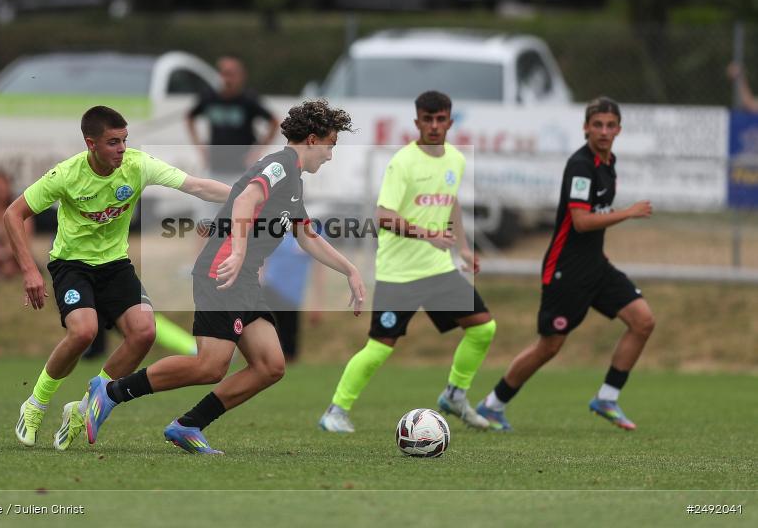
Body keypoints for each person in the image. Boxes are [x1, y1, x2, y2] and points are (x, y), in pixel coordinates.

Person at [84, 99, 366, 455]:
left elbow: (306, 234)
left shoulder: (293, 179)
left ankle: (188, 425)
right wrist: (236, 251)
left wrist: (350, 270)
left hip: (244, 280)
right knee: (210, 365)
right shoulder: (280, 165)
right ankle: (110, 392)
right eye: (330, 145)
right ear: (312, 140)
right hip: (223, 271)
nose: (330, 155)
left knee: (270, 365)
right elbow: (246, 200)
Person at [5, 105, 231, 451]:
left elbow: (198, 186)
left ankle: (82, 409)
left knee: (144, 332)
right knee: (83, 332)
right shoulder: (66, 175)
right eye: (113, 142)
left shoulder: (137, 165)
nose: (122, 149)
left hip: (115, 265)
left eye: (125, 140)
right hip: (72, 265)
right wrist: (29, 270)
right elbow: (13, 214)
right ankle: (35, 404)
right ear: (90, 143)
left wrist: (247, 196)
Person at [318, 91, 494, 433]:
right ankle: (335, 410)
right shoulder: (403, 162)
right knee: (380, 348)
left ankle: (455, 395)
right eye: (427, 119)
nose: (433, 125)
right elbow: (383, 215)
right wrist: (428, 234)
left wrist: (464, 247)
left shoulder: (455, 160)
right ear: (416, 122)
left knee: (483, 327)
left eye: (440, 119)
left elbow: (451, 202)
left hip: (439, 269)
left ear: (450, 121)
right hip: (400, 274)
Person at [476, 96, 656, 431]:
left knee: (643, 320)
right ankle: (492, 404)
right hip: (566, 270)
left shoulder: (608, 163)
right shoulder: (581, 166)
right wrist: (628, 213)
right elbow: (581, 222)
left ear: (619, 129)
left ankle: (607, 397)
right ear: (586, 128)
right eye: (597, 125)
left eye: (610, 125)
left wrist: (599, 255)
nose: (603, 131)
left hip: (596, 267)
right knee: (549, 346)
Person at [186, 56, 280, 186]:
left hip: (241, 168)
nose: (227, 79)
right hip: (215, 166)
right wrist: (200, 147)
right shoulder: (209, 97)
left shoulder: (248, 99)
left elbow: (274, 122)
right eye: (223, 74)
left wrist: (258, 151)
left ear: (241, 76)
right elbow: (190, 117)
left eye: (231, 74)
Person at [260, 229, 325, 362]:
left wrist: (317, 303)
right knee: (263, 345)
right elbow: (262, 263)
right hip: (269, 290)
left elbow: (318, 271)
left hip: (292, 299)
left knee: (290, 349)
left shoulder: (310, 236)